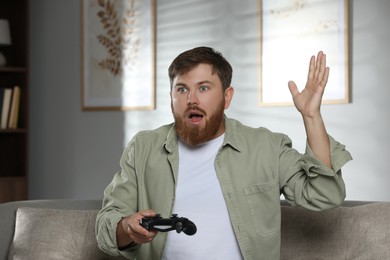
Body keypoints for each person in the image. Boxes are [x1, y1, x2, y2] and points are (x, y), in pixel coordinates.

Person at [95, 46, 352, 260]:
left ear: (227, 97)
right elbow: (107, 223)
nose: (191, 99)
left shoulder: (266, 146)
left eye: (204, 88)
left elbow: (324, 195)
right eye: (181, 89)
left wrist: (311, 116)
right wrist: (127, 228)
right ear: (171, 96)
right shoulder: (143, 148)